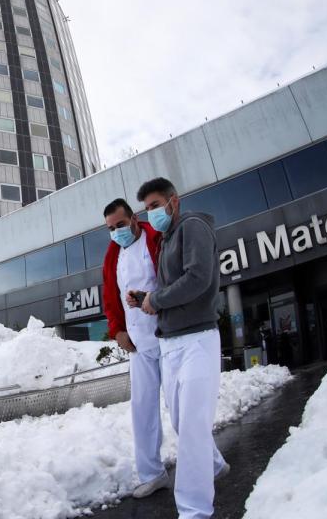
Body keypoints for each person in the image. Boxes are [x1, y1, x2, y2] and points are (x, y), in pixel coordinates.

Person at [127, 177, 229, 519]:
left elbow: (198, 278)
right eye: (147, 208)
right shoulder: (165, 241)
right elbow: (169, 289)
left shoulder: (193, 226)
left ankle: (194, 511)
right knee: (184, 424)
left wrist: (156, 299)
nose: (151, 213)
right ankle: (213, 465)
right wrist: (147, 299)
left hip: (198, 339)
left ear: (174, 201)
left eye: (155, 205)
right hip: (170, 342)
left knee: (194, 428)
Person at [100, 198, 168, 499]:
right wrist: (117, 331)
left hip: (168, 335)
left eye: (121, 225)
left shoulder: (156, 238)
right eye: (111, 228)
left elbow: (171, 280)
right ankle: (152, 474)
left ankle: (211, 463)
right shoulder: (113, 255)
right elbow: (110, 297)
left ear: (134, 218)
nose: (117, 232)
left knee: (182, 409)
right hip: (138, 344)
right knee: (142, 411)